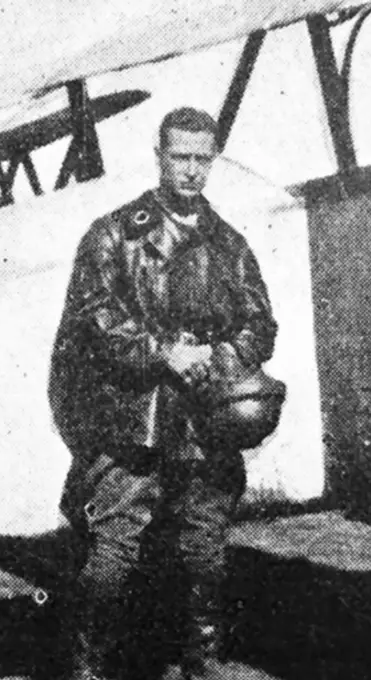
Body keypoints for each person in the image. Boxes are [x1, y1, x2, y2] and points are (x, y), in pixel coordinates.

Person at [49, 107, 278, 680]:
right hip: (134, 423)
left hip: (204, 424)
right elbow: (93, 318)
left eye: (203, 159)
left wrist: (217, 359)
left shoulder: (230, 245)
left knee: (204, 555)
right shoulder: (112, 234)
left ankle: (202, 664)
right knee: (112, 554)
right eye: (181, 157)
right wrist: (162, 353)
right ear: (159, 157)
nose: (192, 171)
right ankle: (88, 666)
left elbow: (261, 324)